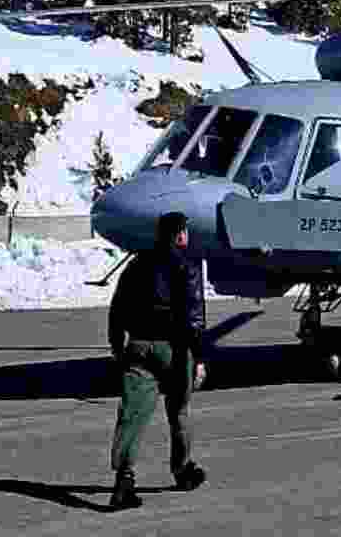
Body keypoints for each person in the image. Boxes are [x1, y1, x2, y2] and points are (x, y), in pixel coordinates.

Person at [106, 211, 208, 510]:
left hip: (137, 347)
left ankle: (123, 481)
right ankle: (183, 470)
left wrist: (116, 345)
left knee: (132, 415)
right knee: (179, 412)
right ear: (179, 235)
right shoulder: (186, 266)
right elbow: (194, 318)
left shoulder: (137, 263)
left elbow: (117, 307)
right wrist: (199, 357)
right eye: (186, 231)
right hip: (174, 350)